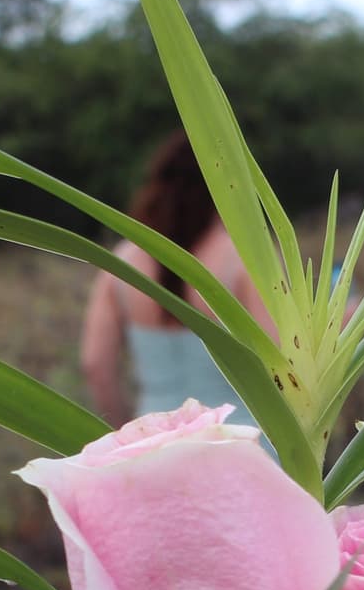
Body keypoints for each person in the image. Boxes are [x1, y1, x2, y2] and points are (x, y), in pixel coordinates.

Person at [80, 131, 260, 427]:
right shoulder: (243, 257)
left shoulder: (122, 261)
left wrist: (125, 431)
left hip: (155, 441)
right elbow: (284, 358)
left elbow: (95, 364)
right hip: (237, 437)